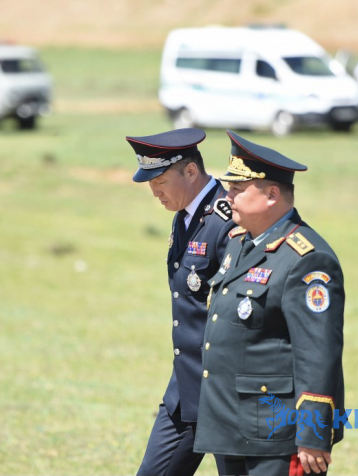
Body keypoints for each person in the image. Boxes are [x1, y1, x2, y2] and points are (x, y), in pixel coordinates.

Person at [194, 130, 345, 475]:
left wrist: (314, 432)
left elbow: (318, 352)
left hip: (277, 434)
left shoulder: (307, 258)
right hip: (233, 426)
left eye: (238, 188)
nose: (228, 196)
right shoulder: (239, 241)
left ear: (272, 195)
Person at [126, 128, 236, 476]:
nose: (154, 191)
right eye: (150, 182)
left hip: (225, 393)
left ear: (190, 172)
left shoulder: (227, 221)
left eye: (160, 180)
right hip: (186, 387)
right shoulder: (185, 215)